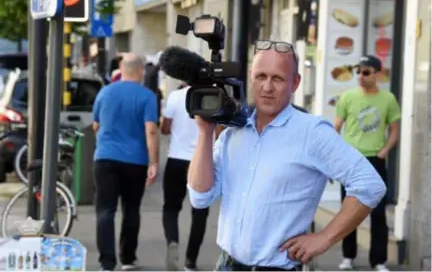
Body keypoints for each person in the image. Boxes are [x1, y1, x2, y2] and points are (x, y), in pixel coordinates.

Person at [186, 40, 387, 271]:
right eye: (261, 76)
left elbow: (370, 185)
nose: (267, 87)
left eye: (278, 78)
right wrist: (205, 131)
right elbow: (200, 198)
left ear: (295, 83)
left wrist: (324, 238)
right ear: (250, 76)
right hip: (226, 265)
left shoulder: (312, 132)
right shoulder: (233, 131)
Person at [92, 53, 160, 271]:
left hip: (105, 159)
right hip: (135, 161)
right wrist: (154, 162)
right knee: (131, 208)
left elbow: (95, 125)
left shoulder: (104, 92)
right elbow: (151, 130)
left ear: (121, 70)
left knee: (105, 211)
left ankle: (106, 262)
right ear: (140, 71)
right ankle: (128, 258)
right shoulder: (147, 96)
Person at [334, 55, 401, 271]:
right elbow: (335, 128)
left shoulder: (388, 99)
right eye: (358, 72)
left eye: (366, 72)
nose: (361, 76)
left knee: (379, 212)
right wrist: (336, 155)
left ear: (378, 74)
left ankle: (379, 261)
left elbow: (395, 131)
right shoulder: (347, 97)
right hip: (351, 161)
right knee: (349, 211)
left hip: (375, 160)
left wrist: (384, 151)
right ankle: (348, 256)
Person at [160, 83, 209, 271]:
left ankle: (172, 240)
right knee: (200, 212)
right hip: (201, 161)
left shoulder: (175, 96)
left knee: (171, 209)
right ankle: (191, 260)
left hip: (176, 160)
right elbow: (220, 131)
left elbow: (165, 128)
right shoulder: (211, 96)